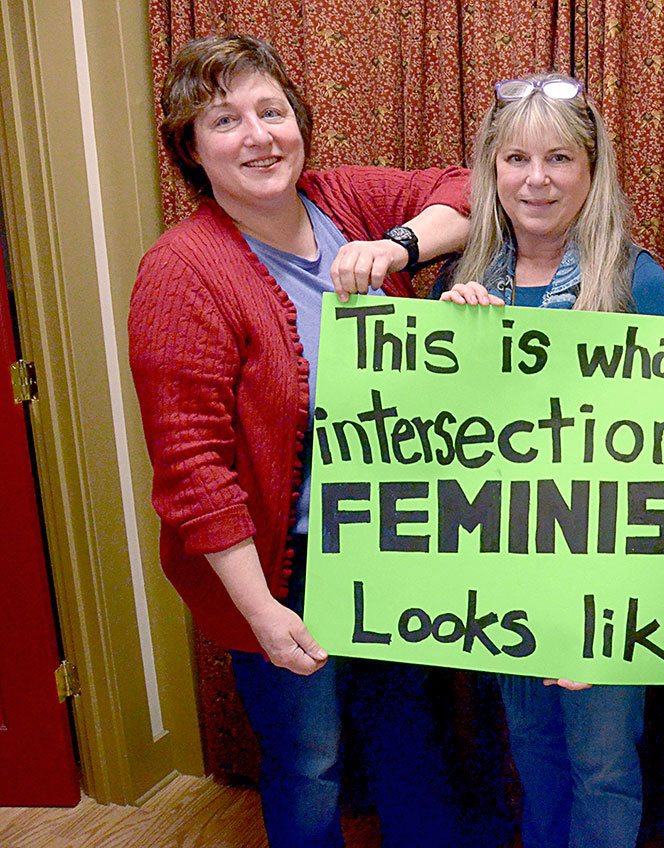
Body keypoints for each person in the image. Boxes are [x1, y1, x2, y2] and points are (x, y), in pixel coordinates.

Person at [128, 34, 468, 847]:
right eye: (225, 120)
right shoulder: (183, 272)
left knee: (409, 738)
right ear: (191, 149)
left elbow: (466, 186)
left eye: (272, 111)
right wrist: (263, 613)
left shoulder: (342, 199)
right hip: (288, 563)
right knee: (310, 760)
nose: (258, 136)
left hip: (394, 541)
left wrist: (399, 246)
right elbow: (192, 472)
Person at [441, 73, 664, 847]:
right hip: (507, 575)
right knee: (533, 759)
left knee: (603, 767)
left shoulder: (635, 282)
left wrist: (611, 618)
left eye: (558, 159)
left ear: (590, 169)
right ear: (492, 171)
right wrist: (452, 343)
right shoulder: (468, 283)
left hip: (606, 584)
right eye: (516, 159)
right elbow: (444, 444)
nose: (536, 179)